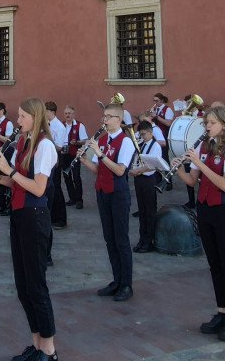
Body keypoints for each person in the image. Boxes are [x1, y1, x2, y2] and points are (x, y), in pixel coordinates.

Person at [0, 98, 58, 361]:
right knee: (23, 285)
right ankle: (36, 344)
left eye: (22, 117)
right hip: (19, 215)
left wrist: (10, 171)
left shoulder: (45, 145)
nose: (17, 121)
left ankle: (49, 349)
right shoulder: (23, 143)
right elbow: (16, 182)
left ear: (35, 117)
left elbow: (38, 188)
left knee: (36, 284)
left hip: (35, 216)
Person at [175, 103, 225, 342]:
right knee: (214, 264)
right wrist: (176, 168)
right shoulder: (204, 146)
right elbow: (193, 181)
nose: (207, 127)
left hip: (224, 210)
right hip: (205, 208)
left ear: (223, 125)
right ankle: (221, 311)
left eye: (211, 123)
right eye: (205, 123)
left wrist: (200, 164)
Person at [81, 102, 135, 303]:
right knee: (109, 238)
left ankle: (126, 284)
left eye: (109, 117)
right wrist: (86, 160)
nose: (105, 120)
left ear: (119, 120)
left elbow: (120, 170)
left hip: (118, 193)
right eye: (104, 116)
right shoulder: (102, 140)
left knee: (121, 239)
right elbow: (99, 169)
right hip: (102, 191)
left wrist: (100, 154)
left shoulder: (126, 141)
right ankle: (116, 280)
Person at [128, 120, 161, 252]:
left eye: (144, 134)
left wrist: (138, 170)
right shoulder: (141, 144)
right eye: (140, 134)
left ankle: (149, 241)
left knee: (149, 211)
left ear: (150, 132)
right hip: (139, 179)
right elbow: (137, 159)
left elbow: (153, 165)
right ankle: (142, 239)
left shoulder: (155, 146)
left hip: (148, 179)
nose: (142, 137)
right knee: (142, 210)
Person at [44, 101, 67, 232]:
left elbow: (59, 146)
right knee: (48, 186)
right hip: (47, 155)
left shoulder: (59, 126)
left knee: (56, 187)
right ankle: (51, 215)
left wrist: (48, 135)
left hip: (56, 156)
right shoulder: (44, 124)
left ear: (52, 112)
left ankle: (61, 218)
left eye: (46, 111)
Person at [60, 106, 87, 209]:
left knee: (76, 177)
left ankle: (79, 200)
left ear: (73, 114)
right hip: (64, 153)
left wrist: (76, 142)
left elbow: (84, 140)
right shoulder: (62, 125)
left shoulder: (79, 126)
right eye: (66, 113)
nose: (67, 115)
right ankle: (72, 198)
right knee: (67, 177)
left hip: (75, 153)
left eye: (69, 113)